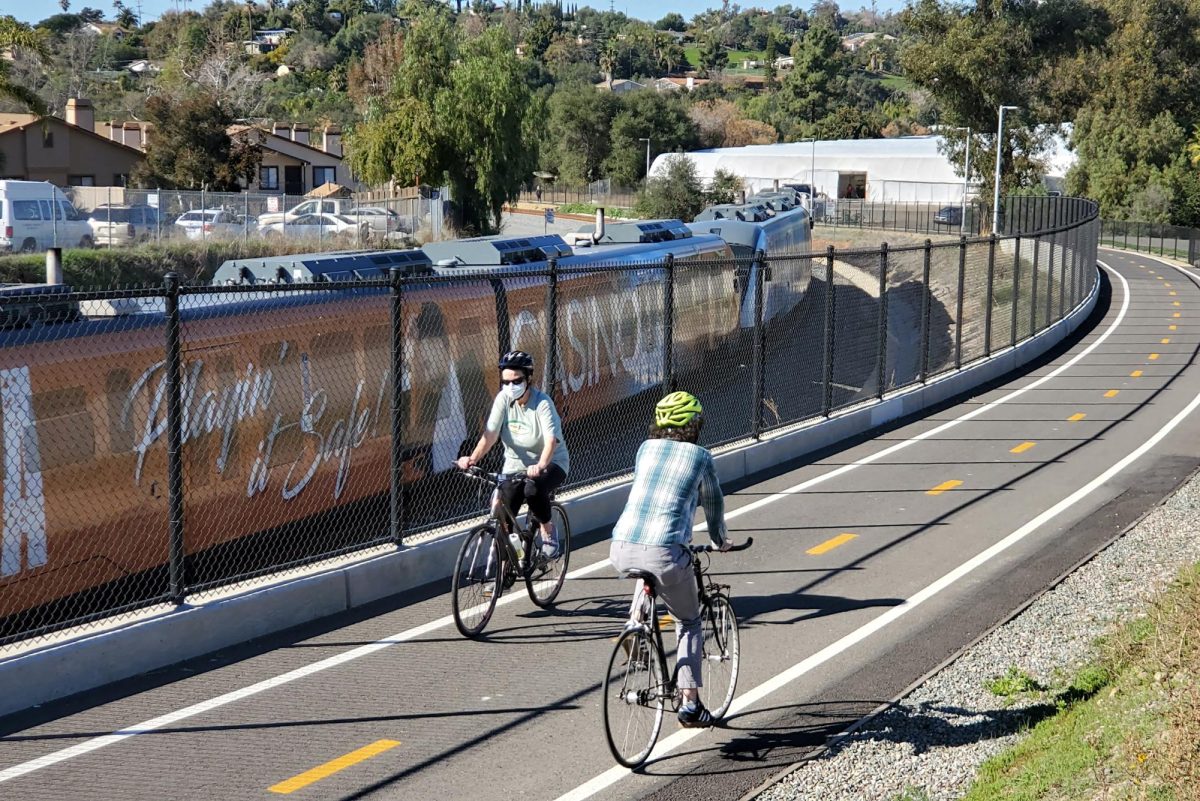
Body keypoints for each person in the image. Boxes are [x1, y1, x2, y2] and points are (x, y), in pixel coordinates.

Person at [609, 391, 734, 728]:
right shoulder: (701, 456)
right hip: (665, 550)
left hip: (622, 544)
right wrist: (719, 540)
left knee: (644, 571)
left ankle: (635, 624)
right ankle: (691, 704)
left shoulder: (645, 449)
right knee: (689, 621)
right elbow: (713, 501)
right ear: (695, 425)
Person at [457, 351, 569, 560]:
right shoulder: (503, 399)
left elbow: (551, 440)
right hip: (515, 467)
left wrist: (540, 465)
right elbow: (490, 435)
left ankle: (547, 529)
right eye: (505, 382)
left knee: (533, 488)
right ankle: (504, 571)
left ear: (528, 379)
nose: (510, 386)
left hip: (551, 462)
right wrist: (472, 458)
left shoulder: (542, 403)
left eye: (516, 381)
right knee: (502, 514)